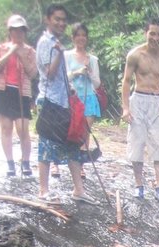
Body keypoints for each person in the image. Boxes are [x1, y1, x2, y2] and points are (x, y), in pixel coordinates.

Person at [36, 4, 96, 204]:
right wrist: (60, 54)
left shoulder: (56, 43)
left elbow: (61, 77)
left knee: (72, 143)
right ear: (48, 20)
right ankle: (43, 190)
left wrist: (71, 90)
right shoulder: (46, 43)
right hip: (50, 102)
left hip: (63, 101)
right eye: (57, 19)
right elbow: (48, 74)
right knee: (46, 144)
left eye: (63, 19)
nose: (61, 23)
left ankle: (79, 190)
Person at [121, 17, 159, 202]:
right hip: (138, 98)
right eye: (152, 33)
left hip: (157, 101)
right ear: (146, 33)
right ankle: (139, 185)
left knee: (158, 144)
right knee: (137, 143)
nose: (155, 38)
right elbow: (126, 81)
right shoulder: (135, 55)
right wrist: (126, 108)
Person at [0, 14, 37, 178]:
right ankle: (10, 164)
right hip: (3, 91)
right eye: (15, 30)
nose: (18, 34)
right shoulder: (2, 48)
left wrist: (22, 56)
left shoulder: (30, 51)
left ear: (25, 32)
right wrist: (10, 52)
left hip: (22, 93)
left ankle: (25, 162)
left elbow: (32, 73)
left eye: (21, 30)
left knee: (23, 129)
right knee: (6, 128)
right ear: (10, 31)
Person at [65, 23, 101, 175]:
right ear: (73, 38)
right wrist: (77, 72)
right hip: (73, 98)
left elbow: (97, 83)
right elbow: (64, 78)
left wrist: (90, 71)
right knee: (69, 131)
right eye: (78, 35)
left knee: (84, 132)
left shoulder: (92, 59)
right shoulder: (66, 56)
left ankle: (80, 165)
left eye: (83, 35)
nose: (81, 38)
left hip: (89, 98)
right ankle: (60, 161)